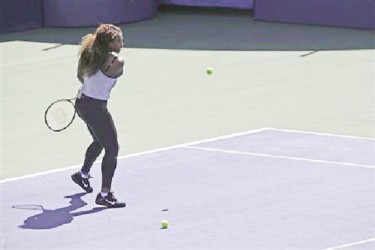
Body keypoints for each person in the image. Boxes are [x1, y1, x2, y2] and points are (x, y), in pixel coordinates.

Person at [71, 23, 125, 208]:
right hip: (95, 108)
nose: (122, 43)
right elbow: (116, 73)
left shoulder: (89, 55)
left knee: (100, 141)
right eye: (118, 40)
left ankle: (83, 174)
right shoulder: (117, 62)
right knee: (112, 148)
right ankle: (105, 194)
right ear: (109, 43)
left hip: (82, 103)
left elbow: (81, 77)